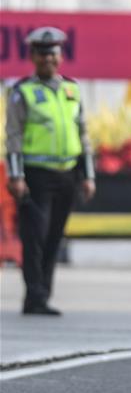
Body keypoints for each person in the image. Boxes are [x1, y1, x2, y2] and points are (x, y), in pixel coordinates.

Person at [4, 27, 96, 316]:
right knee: (35, 236)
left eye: (53, 54)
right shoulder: (23, 92)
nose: (48, 60)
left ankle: (43, 292)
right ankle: (34, 294)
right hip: (36, 175)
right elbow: (13, 137)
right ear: (32, 57)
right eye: (42, 54)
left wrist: (88, 175)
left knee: (54, 236)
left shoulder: (72, 89)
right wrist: (16, 176)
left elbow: (83, 134)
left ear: (60, 57)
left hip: (67, 174)